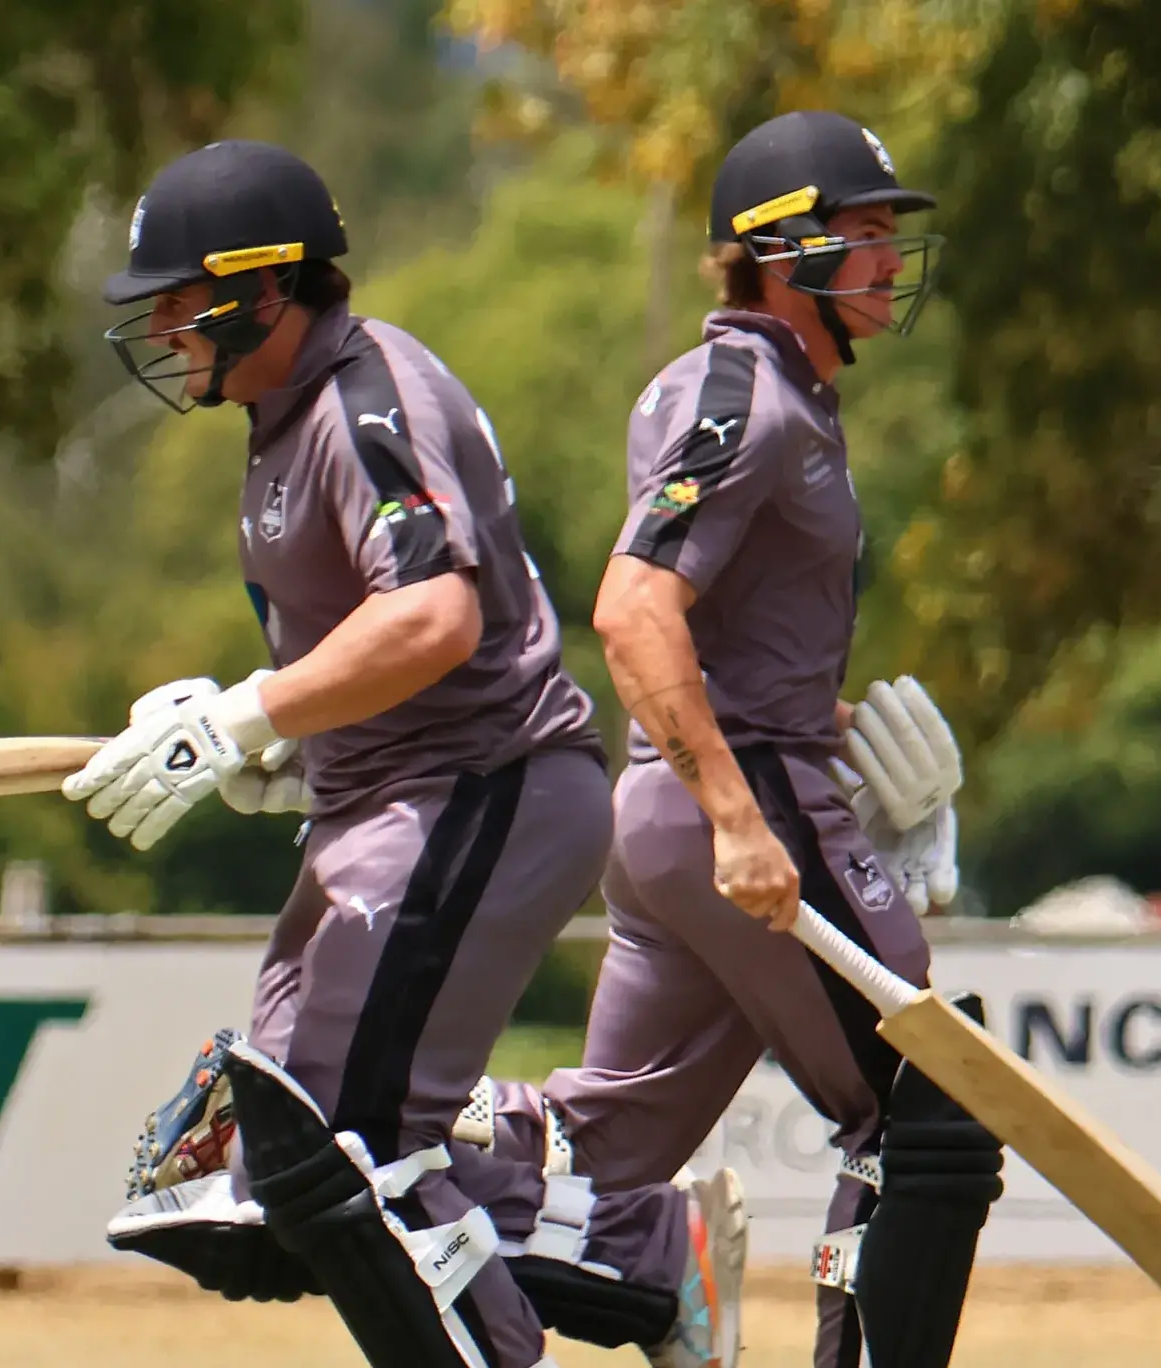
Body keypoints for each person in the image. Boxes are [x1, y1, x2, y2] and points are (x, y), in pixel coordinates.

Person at [72, 139, 745, 1368]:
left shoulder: (365, 398)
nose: (163, 329)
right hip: (390, 803)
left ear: (264, 289)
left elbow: (439, 617)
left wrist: (249, 714)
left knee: (349, 1156)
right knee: (291, 1171)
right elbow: (364, 645)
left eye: (181, 300)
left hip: (479, 791)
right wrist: (291, 745)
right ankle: (640, 1253)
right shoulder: (277, 420)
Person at [474, 109, 998, 1368]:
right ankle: (360, 1129)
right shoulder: (743, 394)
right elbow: (634, 607)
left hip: (693, 809)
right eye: (859, 235)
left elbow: (716, 647)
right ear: (775, 252)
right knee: (932, 1108)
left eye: (889, 235)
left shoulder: (788, 400)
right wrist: (742, 814)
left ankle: (409, 1160)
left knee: (599, 1161)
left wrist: (845, 751)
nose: (885, 259)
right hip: (730, 813)